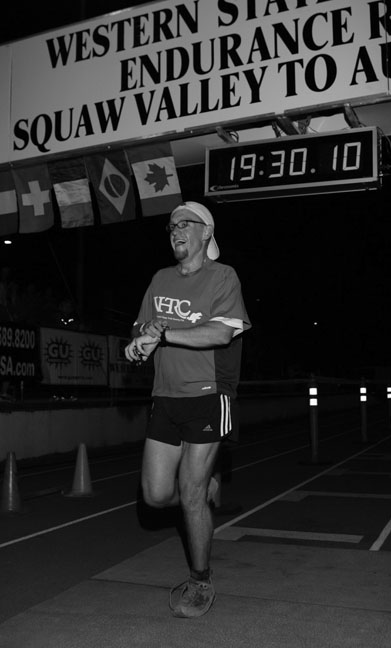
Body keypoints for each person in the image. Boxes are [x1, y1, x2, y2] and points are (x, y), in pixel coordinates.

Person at [125, 201, 250, 618]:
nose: (176, 230)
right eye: (172, 225)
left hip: (209, 396)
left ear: (205, 233)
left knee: (191, 495)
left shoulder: (223, 276)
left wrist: (166, 334)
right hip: (165, 396)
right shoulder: (160, 279)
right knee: (157, 495)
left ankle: (200, 579)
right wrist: (140, 341)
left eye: (186, 224)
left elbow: (219, 332)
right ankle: (203, 483)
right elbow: (143, 326)